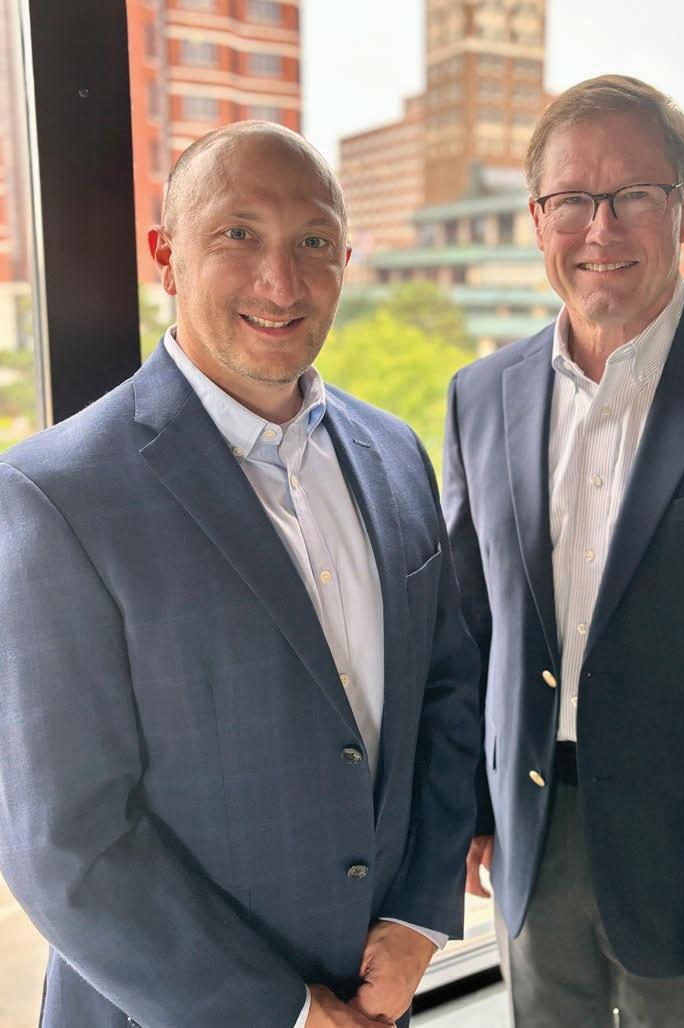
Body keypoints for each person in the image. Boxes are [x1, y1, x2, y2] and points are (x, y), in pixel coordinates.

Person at [0, 122, 480, 1028]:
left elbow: (446, 696)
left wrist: (419, 916)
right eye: (238, 234)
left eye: (313, 242)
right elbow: (65, 843)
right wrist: (283, 1013)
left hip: (377, 991)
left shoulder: (395, 453)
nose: (281, 282)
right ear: (166, 257)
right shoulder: (54, 496)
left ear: (346, 259)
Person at [442, 74, 684, 1027]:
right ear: (537, 217)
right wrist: (475, 807)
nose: (600, 228)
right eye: (572, 198)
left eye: (634, 195)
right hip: (534, 841)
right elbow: (470, 628)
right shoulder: (479, 396)